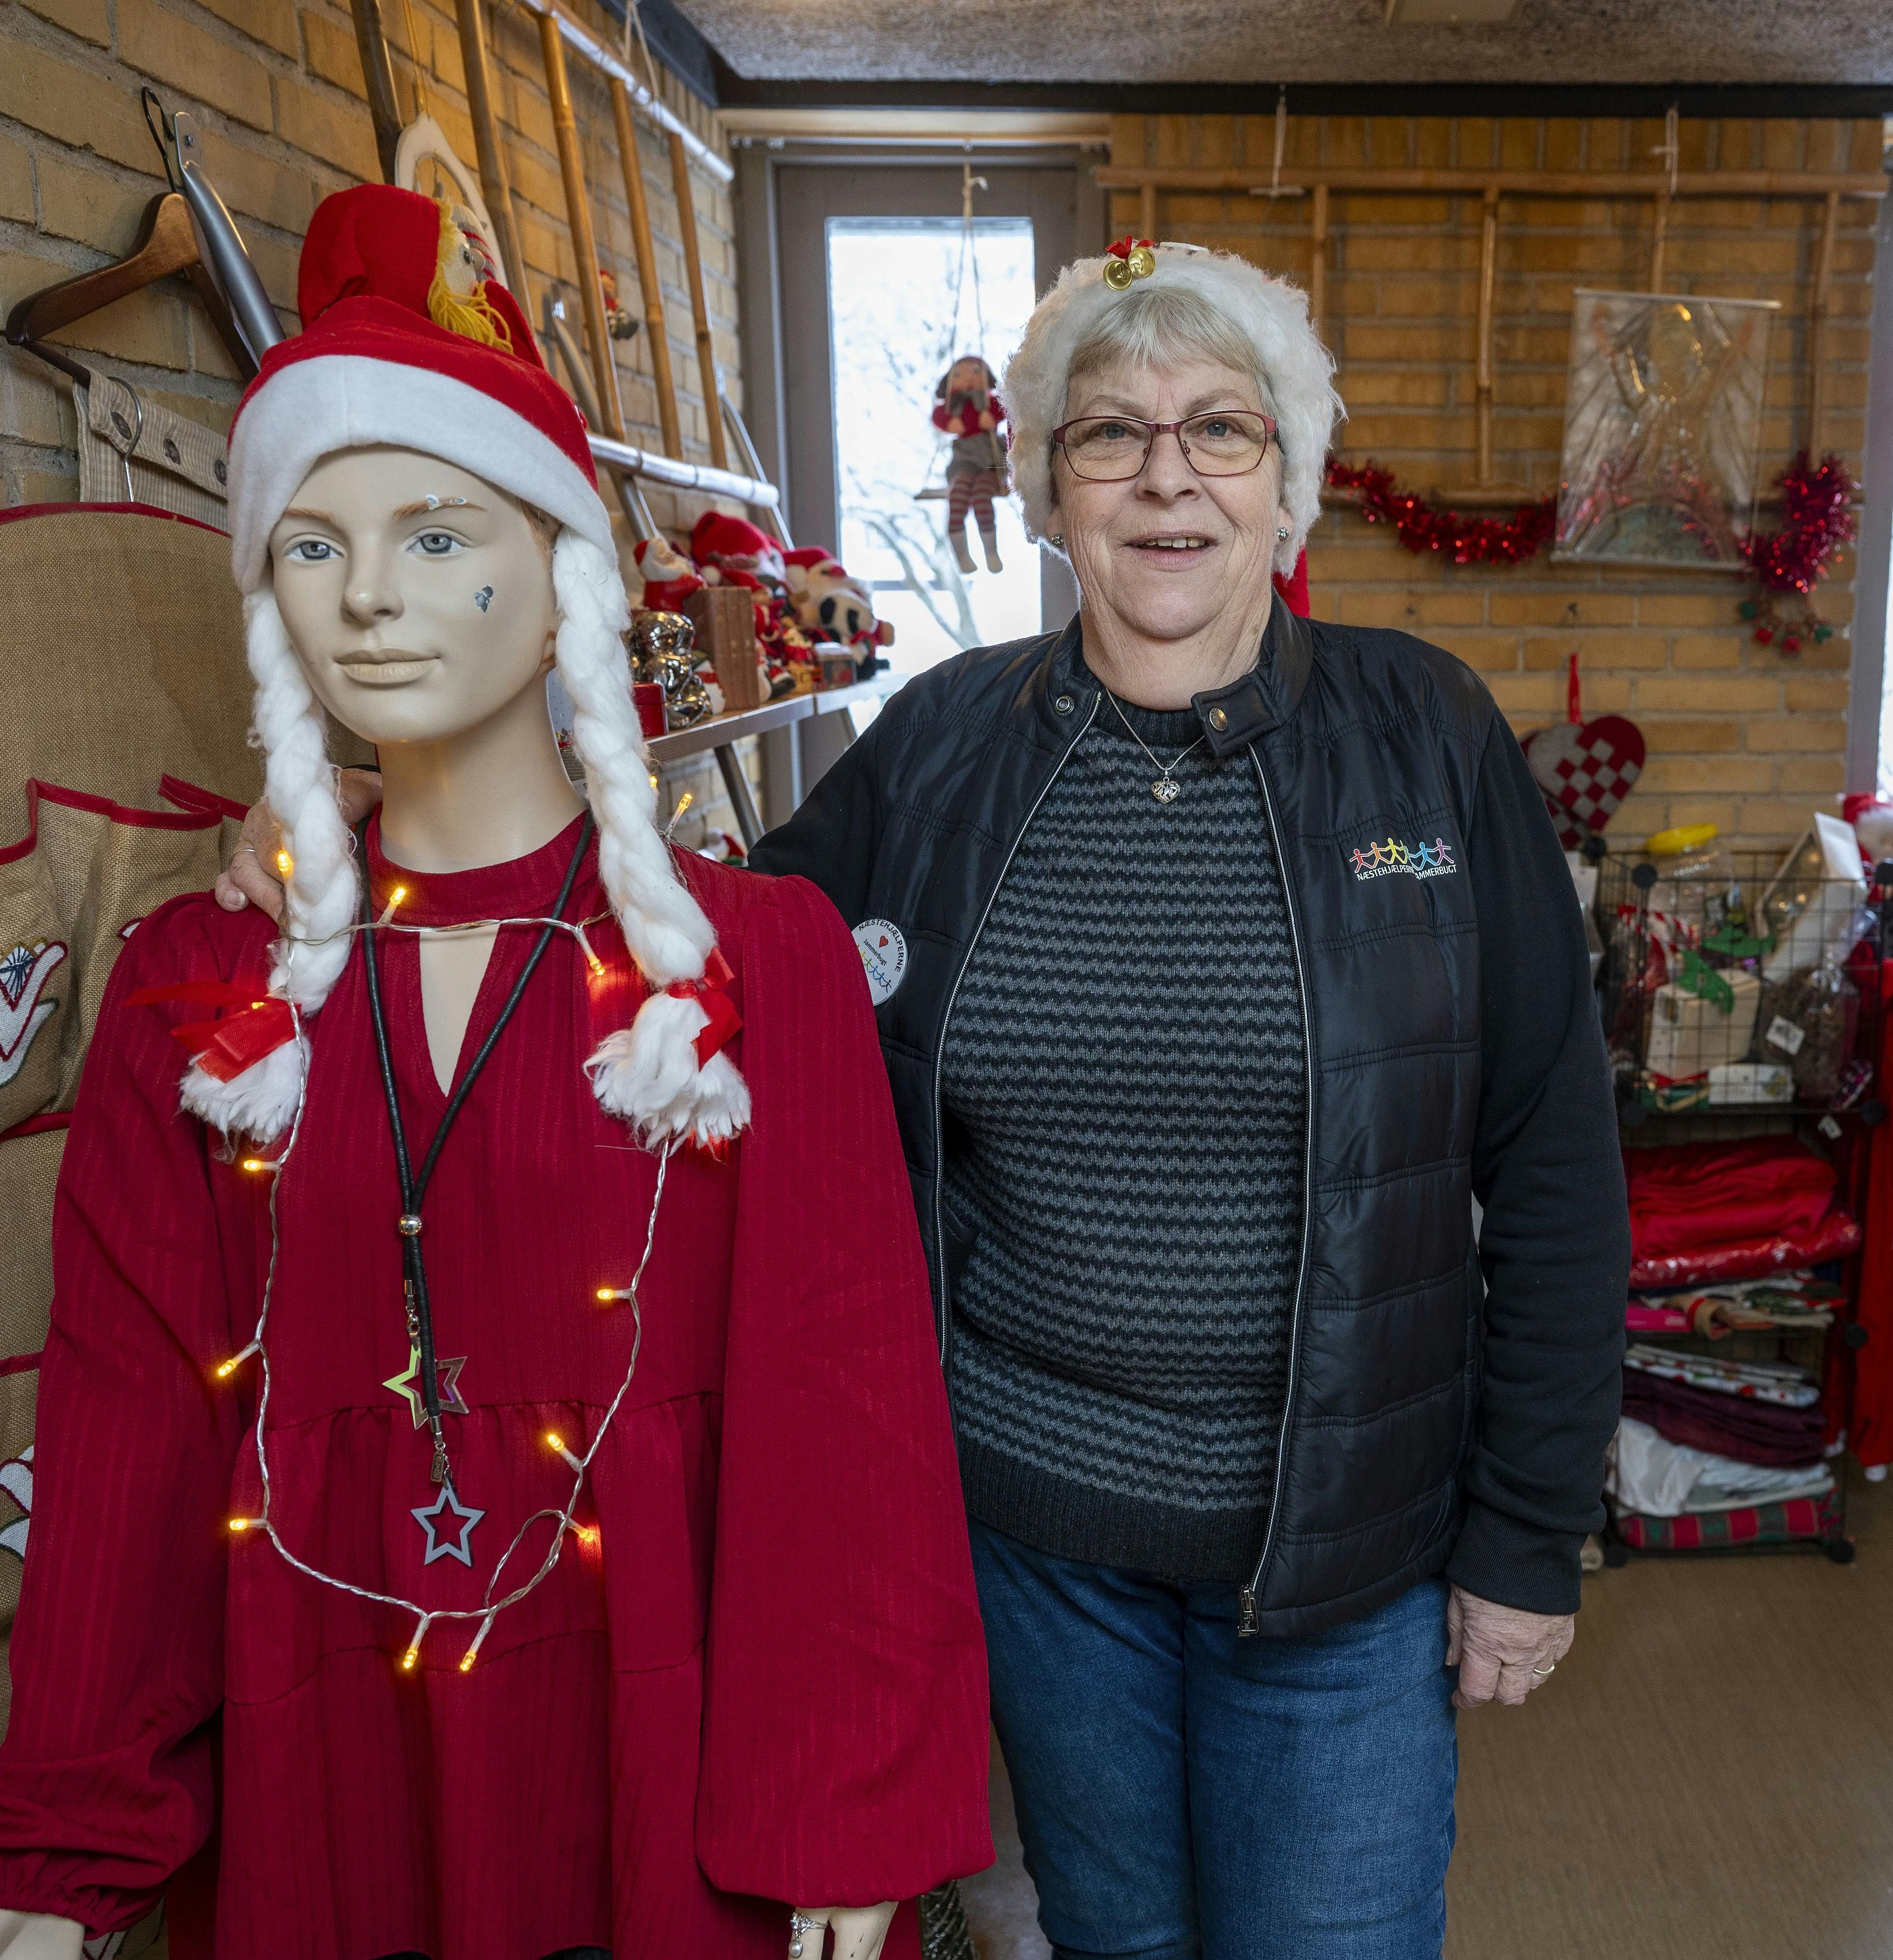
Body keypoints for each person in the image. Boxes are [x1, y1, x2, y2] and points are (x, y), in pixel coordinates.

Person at [223, 237, 1628, 1960]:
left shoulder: (1425, 736)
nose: (1166, 476)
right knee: (1109, 1938)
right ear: (1040, 486)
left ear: (1291, 479)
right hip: (1036, 1549)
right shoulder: (943, 747)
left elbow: (1552, 1157)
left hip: (1344, 1556)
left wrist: (1527, 1535)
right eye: (1109, 435)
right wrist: (364, 823)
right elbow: (699, 959)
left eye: (1223, 431)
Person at [0, 186, 989, 1960]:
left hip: (665, 1723)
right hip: (334, 1729)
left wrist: (843, 1803)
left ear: (561, 564)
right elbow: (131, 1422)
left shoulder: (745, 964)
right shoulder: (206, 984)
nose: (368, 602)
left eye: (434, 536)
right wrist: (57, 1843)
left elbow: (845, 1401)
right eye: (315, 546)